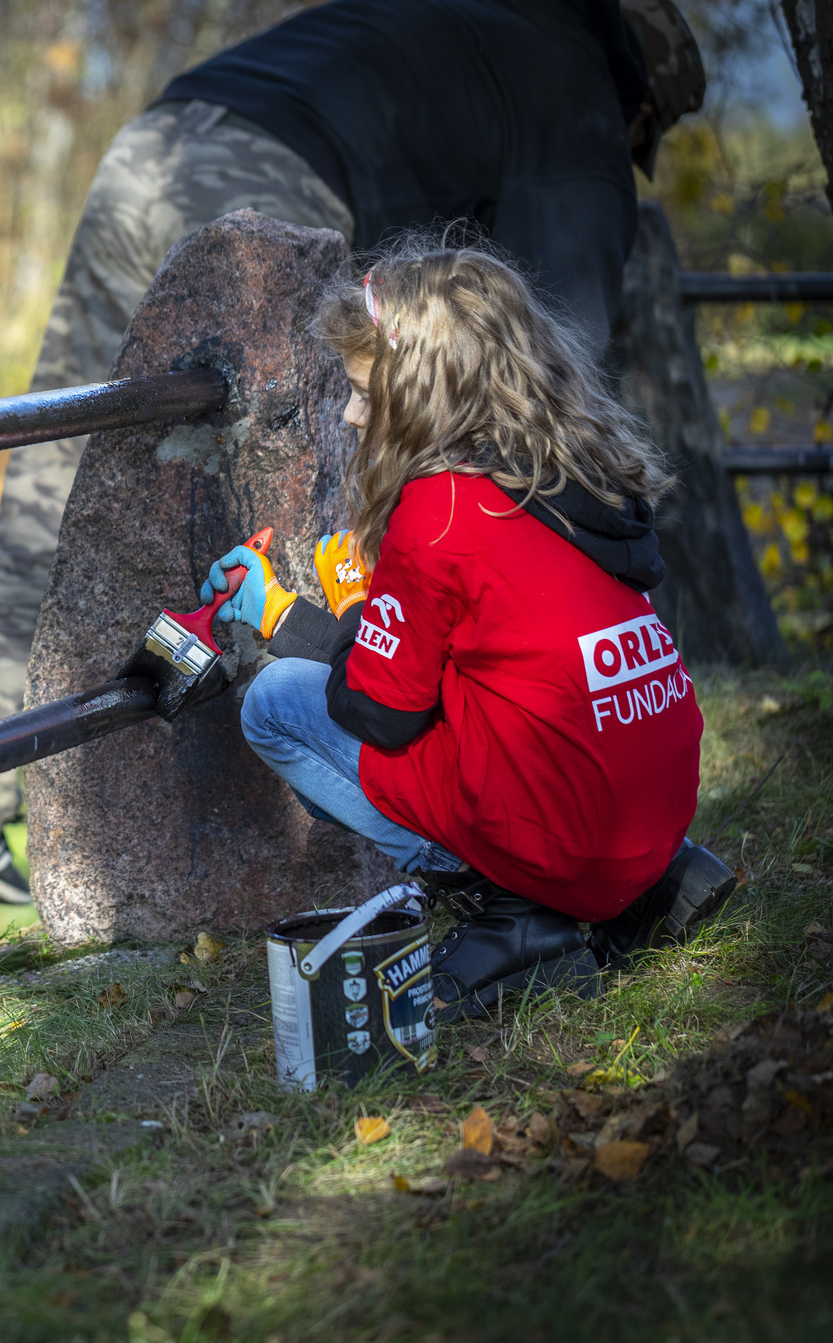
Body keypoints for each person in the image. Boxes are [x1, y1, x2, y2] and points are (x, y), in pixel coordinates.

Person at [0, 0, 707, 904]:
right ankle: (212, 839)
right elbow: (557, 352)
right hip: (273, 181)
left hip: (152, 146)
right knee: (309, 456)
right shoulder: (576, 96)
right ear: (640, 104)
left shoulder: (479, 12)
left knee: (56, 462)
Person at [202, 239, 734, 1015]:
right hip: (654, 814)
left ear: (420, 394)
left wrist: (293, 615)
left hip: (572, 838)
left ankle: (516, 909)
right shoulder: (565, 467)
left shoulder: (440, 508)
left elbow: (382, 712)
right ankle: (654, 883)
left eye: (362, 392)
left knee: (276, 702)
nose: (351, 415)